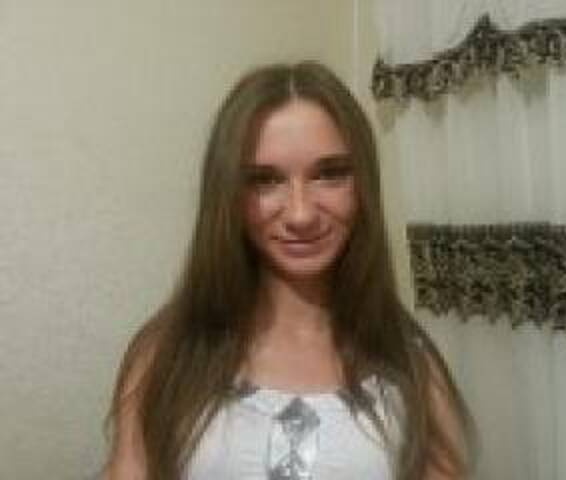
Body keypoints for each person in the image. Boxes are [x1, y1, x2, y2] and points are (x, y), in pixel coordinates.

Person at [102, 61, 475, 480]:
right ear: (227, 195)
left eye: (329, 174)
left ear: (363, 186)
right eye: (265, 180)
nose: (301, 215)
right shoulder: (165, 355)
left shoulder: (412, 367)